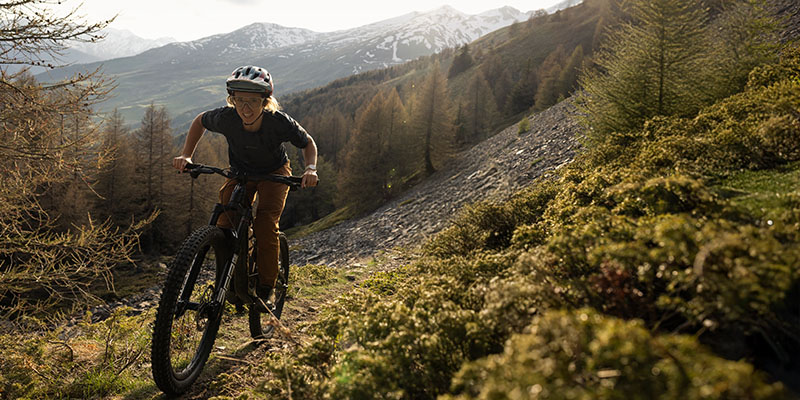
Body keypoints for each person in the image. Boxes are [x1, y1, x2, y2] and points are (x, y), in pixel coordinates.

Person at [173, 65, 318, 302]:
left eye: (252, 101)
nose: (245, 108)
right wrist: (187, 155)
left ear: (265, 101)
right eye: (239, 100)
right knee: (224, 220)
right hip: (240, 172)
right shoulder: (227, 118)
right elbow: (200, 121)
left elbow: (308, 143)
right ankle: (231, 280)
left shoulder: (279, 122)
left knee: (265, 224)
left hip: (275, 173)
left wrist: (310, 169)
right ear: (232, 100)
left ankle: (266, 288)